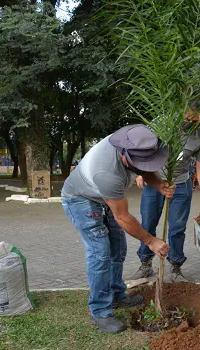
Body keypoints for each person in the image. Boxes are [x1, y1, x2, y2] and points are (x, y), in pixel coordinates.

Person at [61, 124, 175, 334]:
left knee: (118, 248)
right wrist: (151, 241)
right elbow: (123, 217)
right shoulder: (108, 173)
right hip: (80, 200)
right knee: (100, 253)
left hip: (101, 197)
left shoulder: (134, 140)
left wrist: (158, 184)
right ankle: (100, 310)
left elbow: (143, 167)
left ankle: (116, 295)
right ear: (125, 156)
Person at [131, 101, 200, 283]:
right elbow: (144, 150)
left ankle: (175, 267)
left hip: (181, 185)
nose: (191, 125)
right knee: (148, 224)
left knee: (177, 228)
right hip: (155, 181)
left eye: (195, 121)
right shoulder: (162, 124)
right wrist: (142, 173)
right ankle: (145, 264)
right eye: (188, 120)